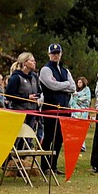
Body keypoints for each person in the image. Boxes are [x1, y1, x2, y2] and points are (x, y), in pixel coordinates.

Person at [38, 43, 76, 173]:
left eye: (58, 53)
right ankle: (44, 166)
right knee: (48, 137)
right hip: (51, 108)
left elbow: (73, 87)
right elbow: (51, 85)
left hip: (65, 109)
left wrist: (61, 85)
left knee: (59, 138)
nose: (56, 55)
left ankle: (53, 165)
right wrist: (65, 84)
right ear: (49, 54)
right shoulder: (45, 70)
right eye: (53, 53)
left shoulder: (65, 71)